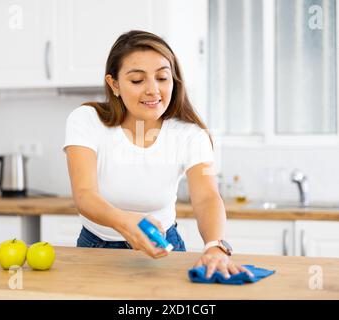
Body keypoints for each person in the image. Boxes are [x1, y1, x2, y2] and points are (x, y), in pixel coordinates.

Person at [63, 30, 254, 279]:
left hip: (165, 247)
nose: (153, 90)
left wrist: (215, 245)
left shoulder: (190, 135)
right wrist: (124, 223)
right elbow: (84, 194)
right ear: (114, 84)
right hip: (97, 247)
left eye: (162, 77)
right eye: (137, 80)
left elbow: (207, 196)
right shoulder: (86, 120)